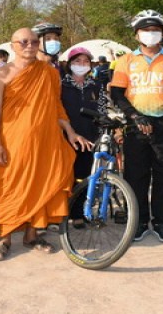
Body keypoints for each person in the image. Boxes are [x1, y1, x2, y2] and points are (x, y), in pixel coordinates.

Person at [0, 28, 91, 260]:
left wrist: (71, 132)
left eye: (34, 41)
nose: (29, 46)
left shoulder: (49, 73)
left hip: (46, 140)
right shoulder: (2, 74)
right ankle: (4, 238)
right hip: (13, 141)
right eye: (23, 42)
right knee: (9, 187)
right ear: (13, 44)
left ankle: (32, 235)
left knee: (42, 184)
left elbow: (56, 106)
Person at [110, 10, 163, 243]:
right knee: (136, 175)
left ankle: (162, 222)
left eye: (155, 30)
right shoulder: (126, 61)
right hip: (136, 125)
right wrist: (134, 116)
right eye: (146, 30)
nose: (151, 34)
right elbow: (117, 93)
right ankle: (139, 221)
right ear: (137, 35)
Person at [61, 46, 108, 228]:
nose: (81, 65)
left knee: (84, 178)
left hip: (90, 139)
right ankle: (60, 213)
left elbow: (103, 111)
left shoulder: (96, 86)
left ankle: (78, 213)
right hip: (66, 138)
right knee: (65, 178)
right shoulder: (61, 85)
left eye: (85, 62)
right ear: (69, 64)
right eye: (77, 61)